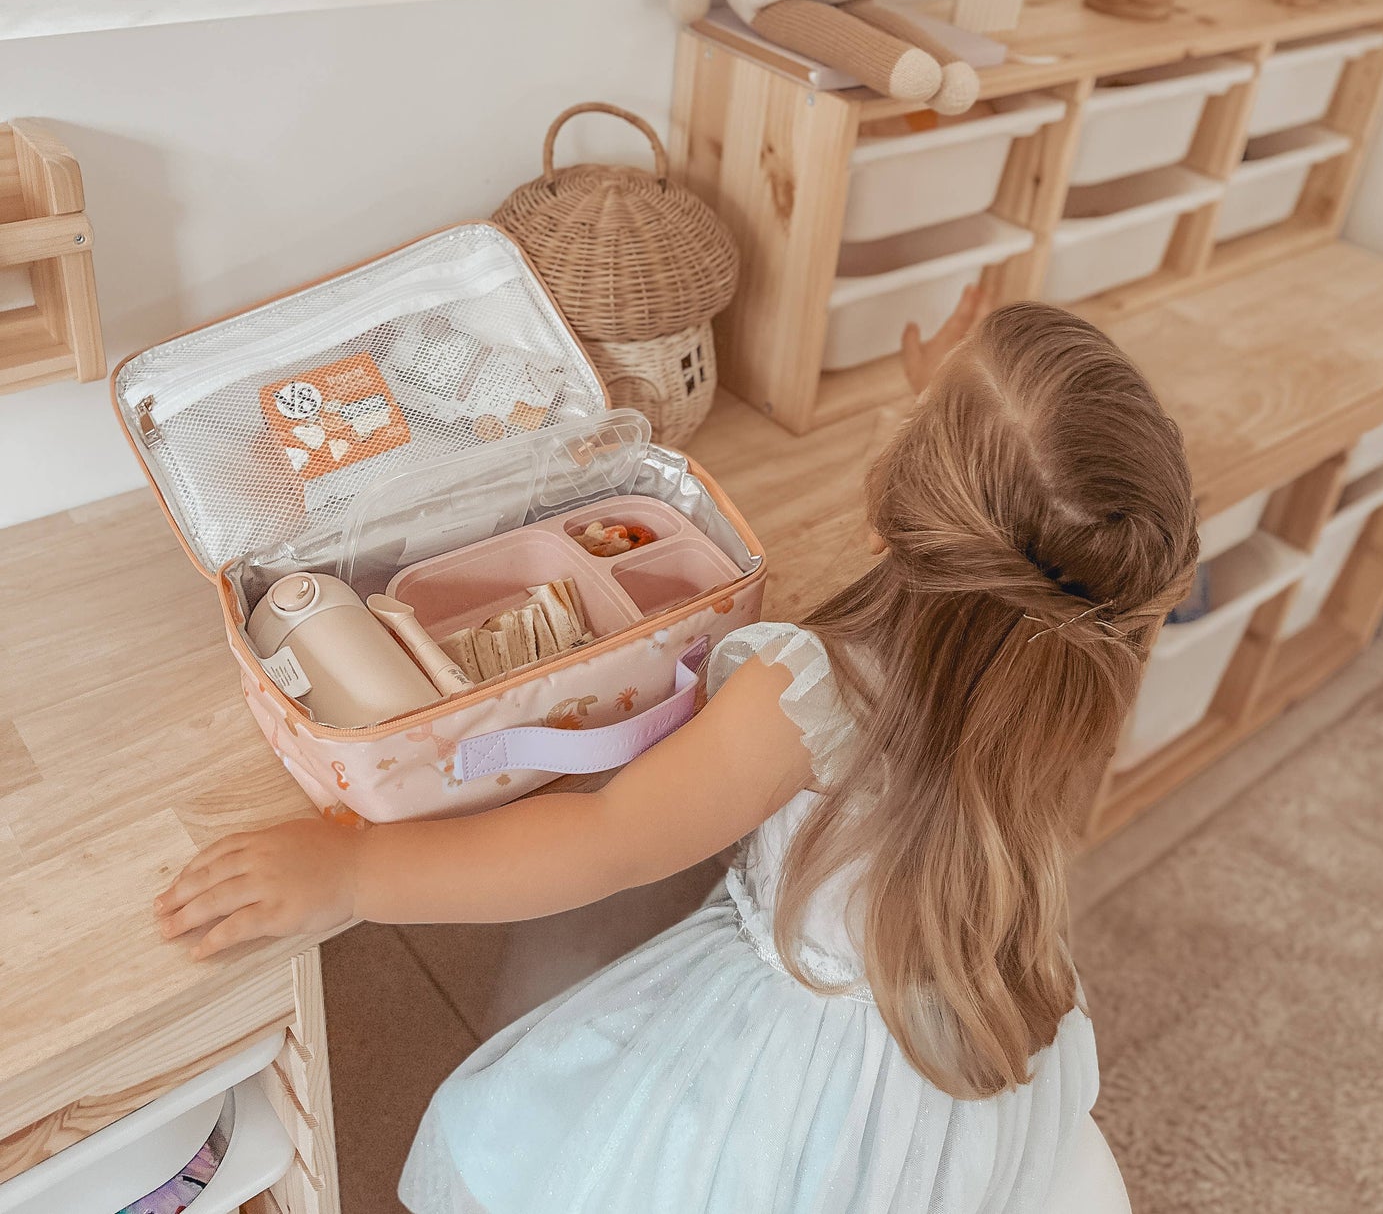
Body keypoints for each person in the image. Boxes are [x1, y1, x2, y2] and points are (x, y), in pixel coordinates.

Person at [156, 297, 1198, 1213]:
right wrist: (959, 407)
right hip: (943, 1055)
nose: (894, 414)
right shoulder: (1075, 660)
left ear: (895, 515)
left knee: (532, 1128)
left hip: (803, 1079)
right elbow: (1029, 502)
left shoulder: (812, 692)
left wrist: (352, 873)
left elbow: (604, 839)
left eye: (911, 424)